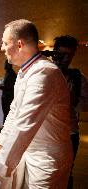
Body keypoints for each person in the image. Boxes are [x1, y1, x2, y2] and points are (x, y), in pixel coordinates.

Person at [0, 19, 73, 188]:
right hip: (28, 153)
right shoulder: (25, 72)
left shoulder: (44, 73)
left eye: (5, 43)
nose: (2, 48)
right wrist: (1, 142)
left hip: (46, 160)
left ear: (19, 45)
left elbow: (24, 125)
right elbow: (15, 112)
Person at [52, 35, 88, 189]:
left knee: (67, 173)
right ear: (55, 53)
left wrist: (74, 100)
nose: (66, 59)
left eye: (70, 55)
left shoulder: (79, 78)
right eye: (62, 54)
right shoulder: (44, 74)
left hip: (69, 133)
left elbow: (85, 106)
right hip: (47, 133)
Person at [0, 60, 17, 132]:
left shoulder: (12, 74)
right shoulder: (8, 73)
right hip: (5, 96)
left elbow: (9, 87)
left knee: (7, 113)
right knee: (5, 112)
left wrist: (0, 87)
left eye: (6, 64)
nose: (4, 66)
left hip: (8, 97)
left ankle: (6, 128)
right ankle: (4, 127)